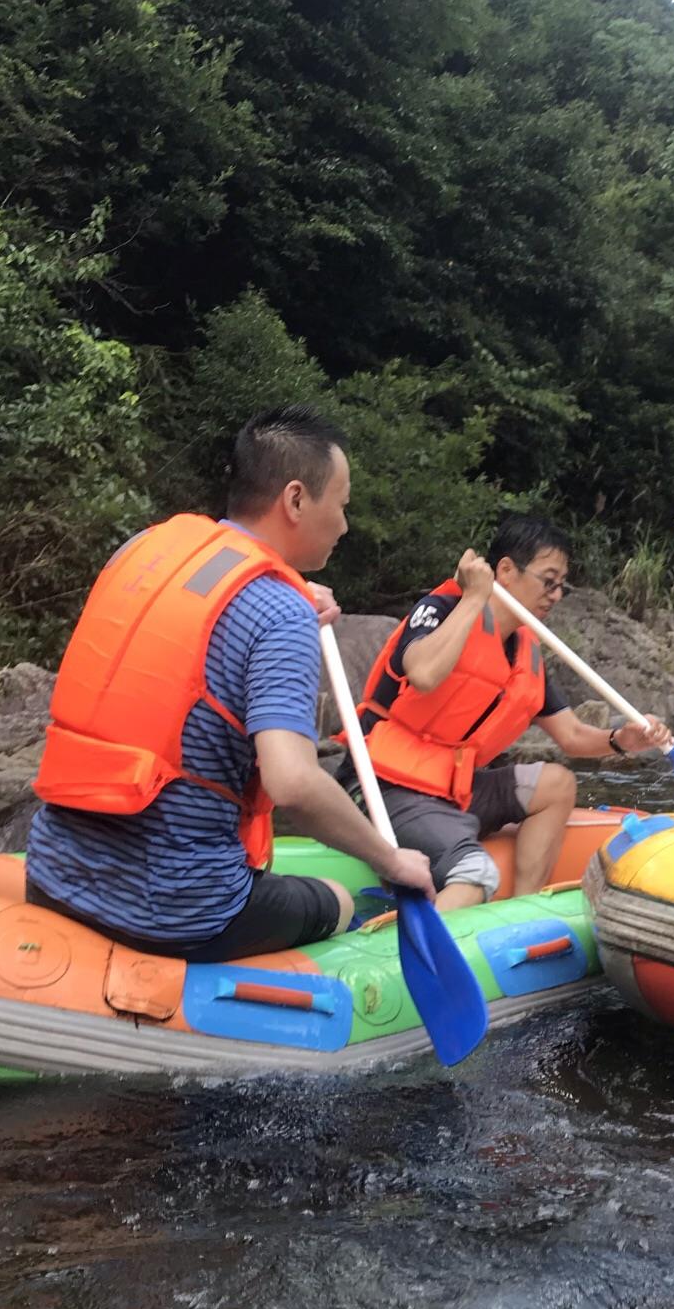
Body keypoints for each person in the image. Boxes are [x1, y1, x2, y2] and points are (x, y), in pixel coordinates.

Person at [26, 406, 434, 961]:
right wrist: (392, 860)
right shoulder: (277, 611)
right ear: (295, 499)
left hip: (50, 871)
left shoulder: (142, 552)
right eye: (340, 505)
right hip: (176, 910)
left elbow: (200, 629)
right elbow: (292, 784)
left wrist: (290, 595)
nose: (344, 524)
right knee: (338, 899)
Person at [350, 515, 673, 910]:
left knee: (557, 784)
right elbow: (423, 673)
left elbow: (570, 736)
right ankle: (420, 949)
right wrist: (472, 598)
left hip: (453, 789)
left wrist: (619, 741)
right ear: (505, 570)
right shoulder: (442, 609)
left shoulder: (524, 653)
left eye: (561, 586)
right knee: (476, 873)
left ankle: (521, 909)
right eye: (547, 580)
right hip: (380, 785)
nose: (555, 595)